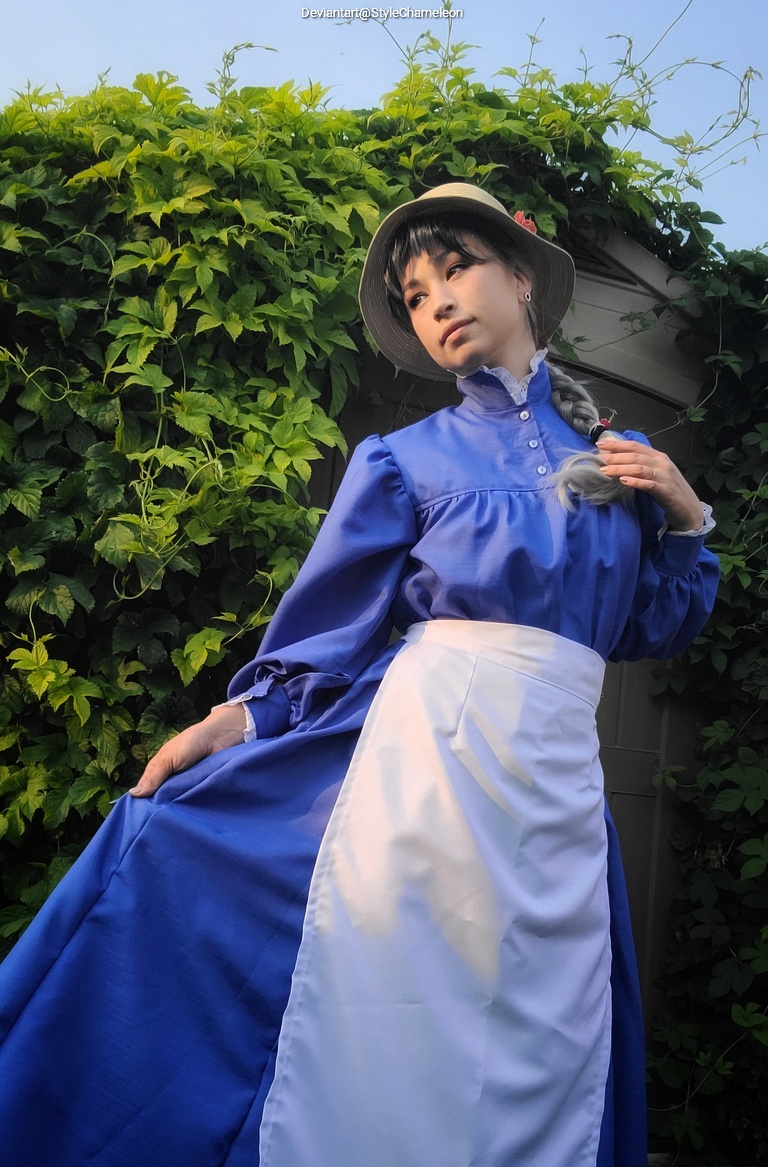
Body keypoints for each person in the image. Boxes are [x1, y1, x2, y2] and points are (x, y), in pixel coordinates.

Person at [0, 183, 719, 1167]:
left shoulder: (620, 464)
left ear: (521, 272)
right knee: (386, 1014)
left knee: (540, 1030)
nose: (440, 304)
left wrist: (685, 517)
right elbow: (325, 634)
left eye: (455, 269)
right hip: (417, 771)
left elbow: (650, 626)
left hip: (556, 795)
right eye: (417, 296)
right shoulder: (401, 461)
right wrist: (238, 721)